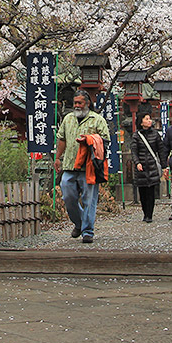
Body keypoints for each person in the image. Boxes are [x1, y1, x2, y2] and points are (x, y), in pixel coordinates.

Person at [55, 89, 109, 243]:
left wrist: (91, 139)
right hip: (70, 165)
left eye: (80, 103)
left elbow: (105, 140)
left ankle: (87, 231)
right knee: (67, 195)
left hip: (89, 166)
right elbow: (62, 139)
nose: (77, 106)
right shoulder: (68, 119)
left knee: (89, 199)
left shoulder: (97, 120)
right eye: (75, 103)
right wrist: (58, 158)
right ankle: (79, 223)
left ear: (87, 103)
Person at [128, 109, 163, 222]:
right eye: (146, 119)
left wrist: (164, 165)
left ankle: (150, 214)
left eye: (149, 119)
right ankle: (145, 213)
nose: (149, 121)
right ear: (141, 122)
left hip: (152, 165)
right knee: (142, 191)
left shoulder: (155, 134)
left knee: (151, 191)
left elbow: (160, 150)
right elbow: (134, 151)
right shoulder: (136, 136)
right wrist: (137, 162)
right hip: (141, 166)